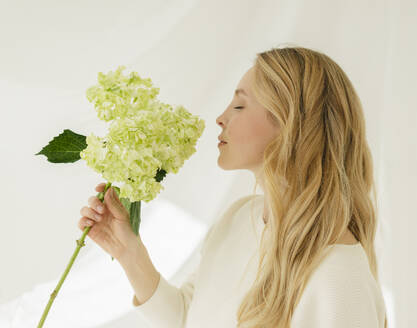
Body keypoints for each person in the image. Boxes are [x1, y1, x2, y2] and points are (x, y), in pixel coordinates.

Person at [78, 46, 388, 327]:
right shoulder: (239, 219)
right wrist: (129, 252)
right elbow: (190, 317)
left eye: (239, 106)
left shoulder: (339, 277)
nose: (221, 117)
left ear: (291, 123)